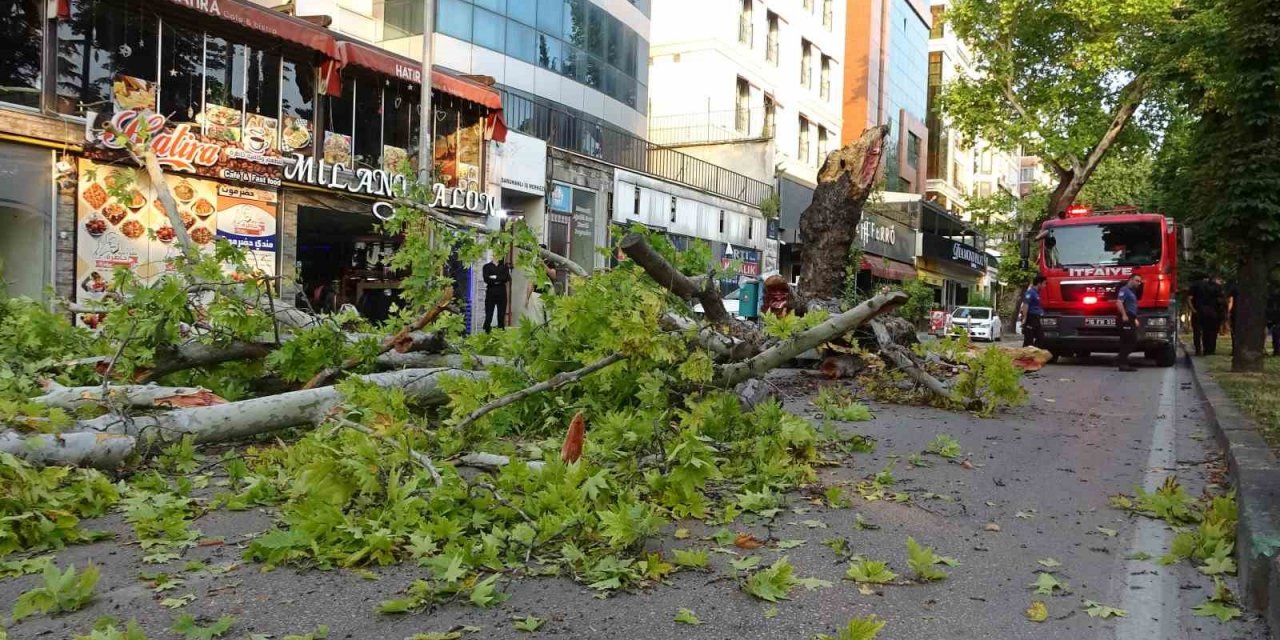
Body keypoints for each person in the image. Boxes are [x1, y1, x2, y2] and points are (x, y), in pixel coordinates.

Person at [1189, 275, 1224, 356]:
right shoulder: (1216, 286)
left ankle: (1198, 350)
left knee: (1197, 332)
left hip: (1198, 311)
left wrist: (1193, 310)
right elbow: (1221, 300)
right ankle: (1209, 350)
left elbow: (1189, 298)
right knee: (1210, 332)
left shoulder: (1195, 285)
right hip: (1212, 312)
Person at [1115, 273, 1144, 372]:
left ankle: (1122, 362)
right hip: (1125, 318)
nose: (1139, 283)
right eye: (1137, 280)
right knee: (1131, 340)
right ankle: (1121, 361)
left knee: (1126, 341)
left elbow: (1132, 306)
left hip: (1130, 317)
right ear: (1130, 280)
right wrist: (1124, 315)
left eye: (1140, 281)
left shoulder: (1132, 292)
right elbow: (1119, 302)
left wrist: (1134, 319)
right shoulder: (1124, 290)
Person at [482, 255, 511, 332]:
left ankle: (501, 332)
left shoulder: (504, 267)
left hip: (501, 291)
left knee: (501, 314)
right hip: (491, 291)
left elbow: (506, 278)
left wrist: (494, 277)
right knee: (488, 314)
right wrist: (499, 279)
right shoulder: (486, 267)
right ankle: (487, 332)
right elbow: (486, 279)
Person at [1020, 275, 1047, 348]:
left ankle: (1034, 353)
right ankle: (1026, 356)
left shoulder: (1037, 293)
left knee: (1041, 338)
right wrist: (1024, 318)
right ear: (1039, 283)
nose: (1045, 285)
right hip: (1031, 318)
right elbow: (1025, 305)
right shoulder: (1030, 292)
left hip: (1036, 319)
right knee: (1028, 340)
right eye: (1044, 283)